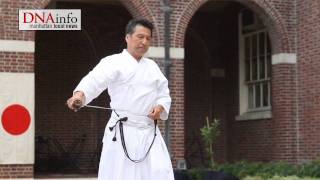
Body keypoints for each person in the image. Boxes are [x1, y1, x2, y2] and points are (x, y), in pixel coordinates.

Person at [66, 18, 174, 180]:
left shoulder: (152, 67)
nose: (144, 42)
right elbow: (94, 80)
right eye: (140, 36)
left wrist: (160, 107)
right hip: (123, 131)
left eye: (148, 38)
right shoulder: (113, 62)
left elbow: (163, 93)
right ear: (127, 37)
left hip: (149, 131)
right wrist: (79, 95)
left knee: (158, 173)